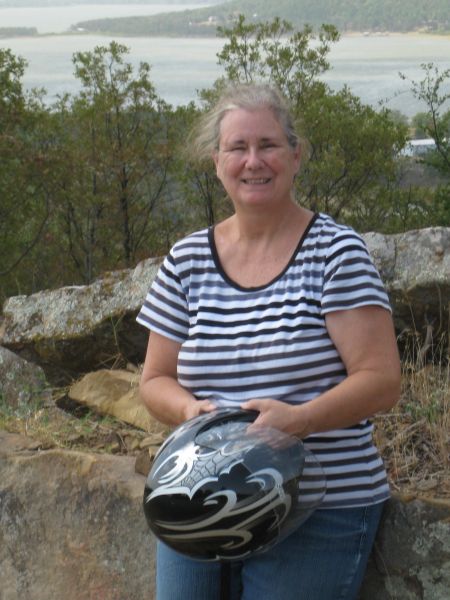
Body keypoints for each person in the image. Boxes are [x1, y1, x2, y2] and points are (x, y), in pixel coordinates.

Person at [137, 83, 401, 600]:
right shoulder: (187, 260)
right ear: (216, 162)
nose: (253, 161)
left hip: (319, 503)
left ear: (296, 156)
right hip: (197, 500)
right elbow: (154, 380)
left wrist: (299, 421)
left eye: (269, 146)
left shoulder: (336, 254)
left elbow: (381, 381)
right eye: (238, 147)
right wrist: (190, 411)